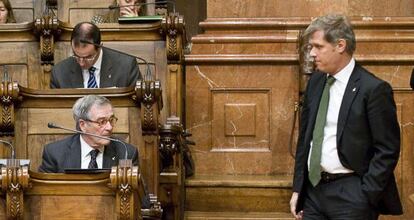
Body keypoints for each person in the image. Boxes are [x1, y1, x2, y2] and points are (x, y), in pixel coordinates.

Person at [290, 14, 402, 220]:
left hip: (352, 194)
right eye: (311, 47)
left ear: (340, 45)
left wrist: (367, 193)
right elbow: (306, 140)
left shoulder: (373, 89)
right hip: (314, 194)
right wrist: (299, 188)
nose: (312, 53)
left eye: (318, 46)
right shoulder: (315, 82)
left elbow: (387, 149)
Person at [50, 22, 141, 88]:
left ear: (100, 46)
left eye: (88, 57)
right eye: (76, 56)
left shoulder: (126, 67)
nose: (81, 63)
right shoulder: (59, 73)